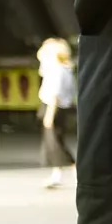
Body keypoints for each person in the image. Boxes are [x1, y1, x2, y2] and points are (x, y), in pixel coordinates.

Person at [36, 36, 76, 188]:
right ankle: (56, 174)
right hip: (59, 108)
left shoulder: (57, 71)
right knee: (52, 143)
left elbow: (55, 95)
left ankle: (75, 170)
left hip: (54, 108)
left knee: (57, 143)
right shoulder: (65, 69)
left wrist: (49, 116)